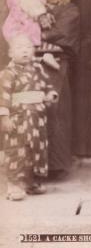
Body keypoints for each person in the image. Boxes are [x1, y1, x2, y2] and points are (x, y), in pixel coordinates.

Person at [0, 35, 58, 201]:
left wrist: (50, 94)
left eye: (28, 47)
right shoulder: (7, 74)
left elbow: (46, 85)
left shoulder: (38, 69)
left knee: (37, 149)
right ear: (11, 53)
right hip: (18, 118)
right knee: (17, 150)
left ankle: (31, 182)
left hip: (37, 118)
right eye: (19, 48)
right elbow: (3, 97)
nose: (24, 51)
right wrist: (4, 118)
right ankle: (14, 185)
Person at [40, 0, 80, 178]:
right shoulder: (39, 6)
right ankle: (36, 164)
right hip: (35, 63)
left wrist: (36, 32)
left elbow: (58, 35)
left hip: (58, 65)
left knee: (56, 112)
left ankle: (55, 166)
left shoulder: (71, 11)